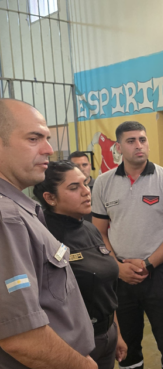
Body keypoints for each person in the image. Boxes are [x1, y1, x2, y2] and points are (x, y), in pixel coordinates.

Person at [0, 98, 96, 369]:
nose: (49, 149)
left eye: (48, 138)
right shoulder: (7, 218)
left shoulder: (20, 210)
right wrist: (83, 366)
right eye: (34, 138)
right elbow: (20, 337)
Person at [92, 121, 163, 369]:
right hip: (120, 277)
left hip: (160, 274)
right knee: (127, 347)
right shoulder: (103, 183)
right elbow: (99, 233)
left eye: (142, 140)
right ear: (118, 147)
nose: (139, 146)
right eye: (131, 141)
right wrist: (116, 266)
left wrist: (148, 264)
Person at [33, 161, 128, 369]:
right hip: (72, 343)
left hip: (106, 334)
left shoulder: (90, 229)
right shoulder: (42, 236)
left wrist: (116, 333)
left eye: (85, 184)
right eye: (74, 188)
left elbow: (106, 289)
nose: (86, 192)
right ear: (50, 198)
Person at [69, 151, 95, 221]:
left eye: (84, 165)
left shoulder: (101, 187)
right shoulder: (66, 190)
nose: (81, 168)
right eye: (76, 166)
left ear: (90, 165)